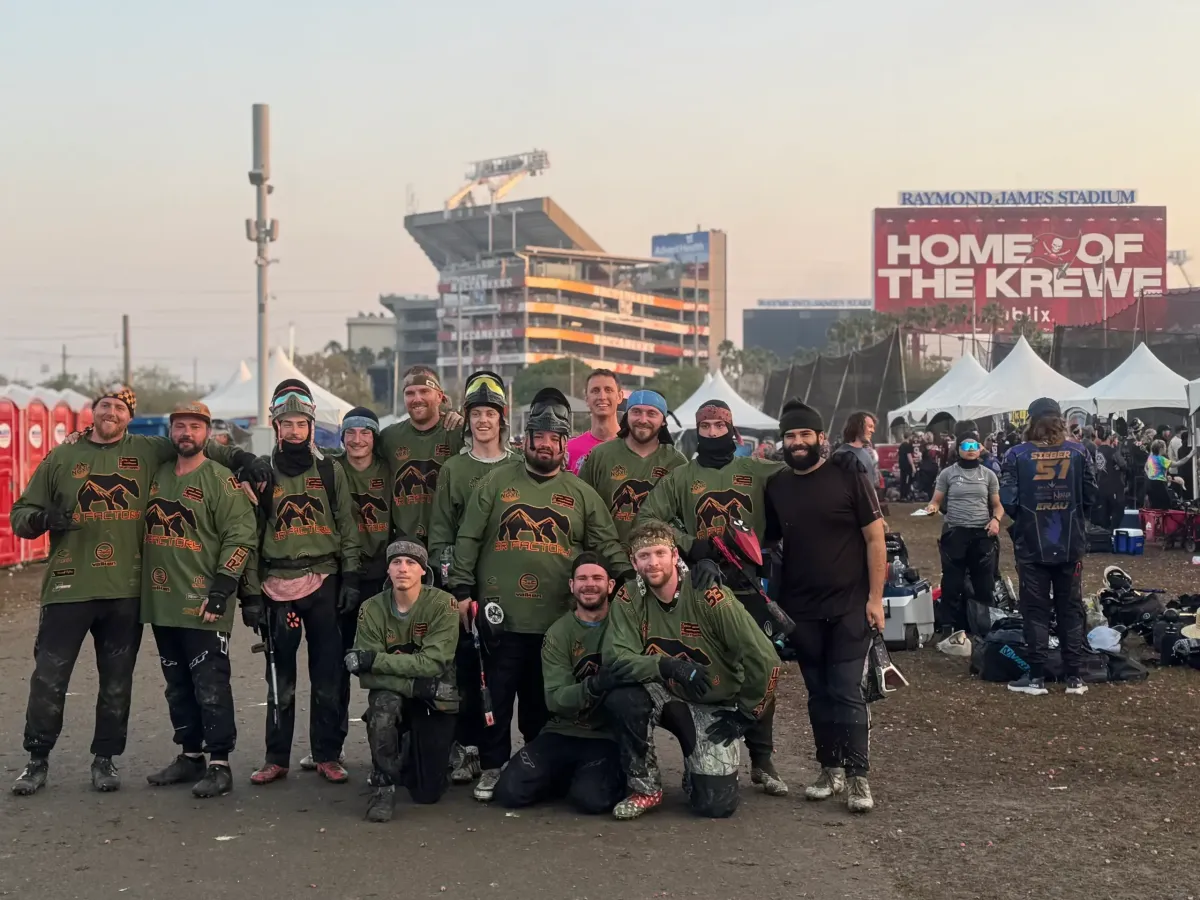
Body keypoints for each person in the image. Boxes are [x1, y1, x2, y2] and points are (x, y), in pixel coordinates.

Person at [9, 385, 263, 796]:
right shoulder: (62, 456)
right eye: (105, 405)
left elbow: (203, 450)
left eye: (120, 408)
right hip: (68, 588)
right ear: (92, 413)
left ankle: (106, 760)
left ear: (130, 418)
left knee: (118, 682)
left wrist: (246, 460)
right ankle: (36, 760)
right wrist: (42, 519)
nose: (112, 412)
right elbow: (19, 515)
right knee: (49, 679)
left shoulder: (148, 451)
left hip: (127, 594)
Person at [447, 388, 632, 801]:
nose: (544, 444)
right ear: (524, 439)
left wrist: (627, 580)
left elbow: (606, 542)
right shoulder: (496, 483)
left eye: (553, 438)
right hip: (500, 615)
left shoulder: (580, 493)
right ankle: (494, 766)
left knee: (540, 700)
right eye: (537, 437)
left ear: (564, 444)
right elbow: (468, 537)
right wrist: (461, 589)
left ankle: (536, 765)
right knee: (495, 694)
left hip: (555, 620)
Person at [635, 398, 788, 796]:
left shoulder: (754, 469)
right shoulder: (682, 478)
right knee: (707, 663)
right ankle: (700, 747)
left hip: (750, 584)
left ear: (732, 431)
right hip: (703, 586)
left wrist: (836, 465)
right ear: (696, 432)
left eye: (721, 427)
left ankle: (763, 757)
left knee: (759, 661)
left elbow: (801, 475)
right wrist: (691, 545)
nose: (714, 433)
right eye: (706, 428)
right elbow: (648, 517)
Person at [602, 521, 781, 820]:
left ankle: (700, 773)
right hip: (664, 692)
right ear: (633, 562)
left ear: (675, 556)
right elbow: (616, 657)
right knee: (622, 696)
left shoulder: (710, 596)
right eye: (644, 556)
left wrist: (747, 714)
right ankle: (645, 788)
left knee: (714, 806)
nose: (653, 562)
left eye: (660, 553)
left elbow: (766, 659)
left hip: (712, 702)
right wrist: (666, 665)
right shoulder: (628, 596)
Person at [763, 399, 886, 813]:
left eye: (804, 435)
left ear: (821, 438)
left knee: (847, 689)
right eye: (790, 435)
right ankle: (829, 770)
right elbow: (769, 542)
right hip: (801, 608)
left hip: (851, 603)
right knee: (818, 693)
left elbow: (875, 540)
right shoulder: (777, 486)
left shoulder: (848, 475)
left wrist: (875, 599)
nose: (797, 442)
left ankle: (858, 778)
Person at [238, 379, 362, 784]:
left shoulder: (331, 470)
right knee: (280, 676)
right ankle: (276, 757)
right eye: (286, 424)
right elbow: (249, 536)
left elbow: (347, 527)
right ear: (275, 427)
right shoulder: (261, 473)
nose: (294, 431)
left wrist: (351, 580)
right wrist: (251, 594)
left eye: (300, 424)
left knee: (328, 673)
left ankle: (327, 754)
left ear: (311, 427)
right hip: (278, 586)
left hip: (324, 581)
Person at [141, 402, 257, 798]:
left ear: (207, 433)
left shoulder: (221, 480)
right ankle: (190, 756)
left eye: (194, 426)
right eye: (179, 426)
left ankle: (220, 763)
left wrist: (223, 590)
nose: (186, 433)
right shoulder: (156, 474)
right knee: (177, 685)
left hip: (204, 601)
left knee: (210, 683)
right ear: (171, 432)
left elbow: (241, 536)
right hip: (161, 602)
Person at [427, 370, 517, 784]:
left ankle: (502, 753)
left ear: (503, 418)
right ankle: (466, 750)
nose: (483, 420)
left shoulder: (520, 465)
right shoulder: (453, 470)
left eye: (490, 413)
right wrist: (454, 585)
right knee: (465, 668)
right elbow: (441, 532)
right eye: (476, 413)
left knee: (505, 672)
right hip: (465, 586)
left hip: (511, 584)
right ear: (466, 419)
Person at [492, 553, 625, 814]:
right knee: (508, 793)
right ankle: (571, 776)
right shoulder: (557, 633)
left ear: (610, 586)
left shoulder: (625, 623)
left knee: (593, 802)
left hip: (605, 736)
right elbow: (556, 699)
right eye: (582, 578)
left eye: (598, 578)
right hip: (562, 731)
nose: (589, 584)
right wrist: (594, 686)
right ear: (571, 586)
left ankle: (596, 777)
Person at [344, 540, 460, 822]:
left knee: (427, 793)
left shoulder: (444, 604)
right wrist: (410, 684)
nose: (403, 569)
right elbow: (365, 672)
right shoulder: (371, 608)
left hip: (435, 695)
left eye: (411, 563)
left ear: (423, 571)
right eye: (396, 562)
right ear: (388, 570)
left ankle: (421, 752)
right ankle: (383, 786)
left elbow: (433, 663)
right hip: (407, 689)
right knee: (382, 709)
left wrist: (376, 660)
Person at [308, 405, 392, 775]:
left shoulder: (388, 471)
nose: (358, 440)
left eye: (366, 433)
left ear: (375, 437)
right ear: (342, 437)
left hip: (383, 574)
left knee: (388, 662)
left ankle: (393, 745)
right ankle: (328, 748)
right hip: (342, 574)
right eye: (351, 433)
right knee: (334, 666)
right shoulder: (330, 468)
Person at [1000, 398, 1097, 697]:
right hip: (1070, 542)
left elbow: (1008, 500)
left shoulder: (1016, 455)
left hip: (1031, 544)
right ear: (1060, 420)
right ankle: (1075, 678)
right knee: (1071, 607)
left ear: (1031, 421)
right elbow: (1092, 494)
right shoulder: (1080, 451)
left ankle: (1036, 678)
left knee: (1035, 610)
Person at [577, 389, 687, 545]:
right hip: (604, 557)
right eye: (636, 412)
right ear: (627, 415)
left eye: (651, 413)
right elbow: (581, 509)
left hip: (656, 561)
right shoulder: (601, 455)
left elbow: (684, 518)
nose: (643, 420)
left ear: (663, 420)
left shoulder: (676, 462)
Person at [925, 421, 1002, 636]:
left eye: (974, 446)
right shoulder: (947, 474)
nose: (970, 450)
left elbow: (997, 505)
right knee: (952, 583)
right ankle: (949, 627)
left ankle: (987, 628)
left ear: (979, 449)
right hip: (955, 532)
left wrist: (996, 520)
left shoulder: (989, 475)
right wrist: (932, 507)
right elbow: (937, 500)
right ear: (958, 449)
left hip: (982, 533)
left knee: (984, 584)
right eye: (965, 446)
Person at [376, 367, 465, 546]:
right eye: (410, 393)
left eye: (424, 391)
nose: (417, 399)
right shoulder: (389, 437)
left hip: (449, 541)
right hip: (404, 542)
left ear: (440, 396)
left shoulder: (457, 433)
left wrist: (464, 420)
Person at [567, 369, 624, 475]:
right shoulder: (569, 450)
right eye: (595, 391)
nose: (602, 397)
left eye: (608, 390)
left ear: (619, 397)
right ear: (587, 399)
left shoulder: (632, 447)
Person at [1091, 426, 1127, 531]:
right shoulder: (1113, 451)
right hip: (1114, 487)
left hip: (1101, 486)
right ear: (1108, 436)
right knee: (1118, 512)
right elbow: (1124, 465)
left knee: (1104, 515)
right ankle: (1112, 534)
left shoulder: (1096, 451)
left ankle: (1105, 536)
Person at [833, 411, 879, 489]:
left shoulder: (866, 454)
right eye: (870, 426)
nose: (873, 431)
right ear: (858, 427)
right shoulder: (841, 455)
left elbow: (871, 487)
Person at [897, 431, 915, 501]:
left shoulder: (901, 445)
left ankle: (902, 496)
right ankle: (905, 495)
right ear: (909, 437)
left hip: (902, 466)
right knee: (907, 481)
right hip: (907, 466)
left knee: (902, 480)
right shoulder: (908, 445)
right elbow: (909, 456)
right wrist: (913, 466)